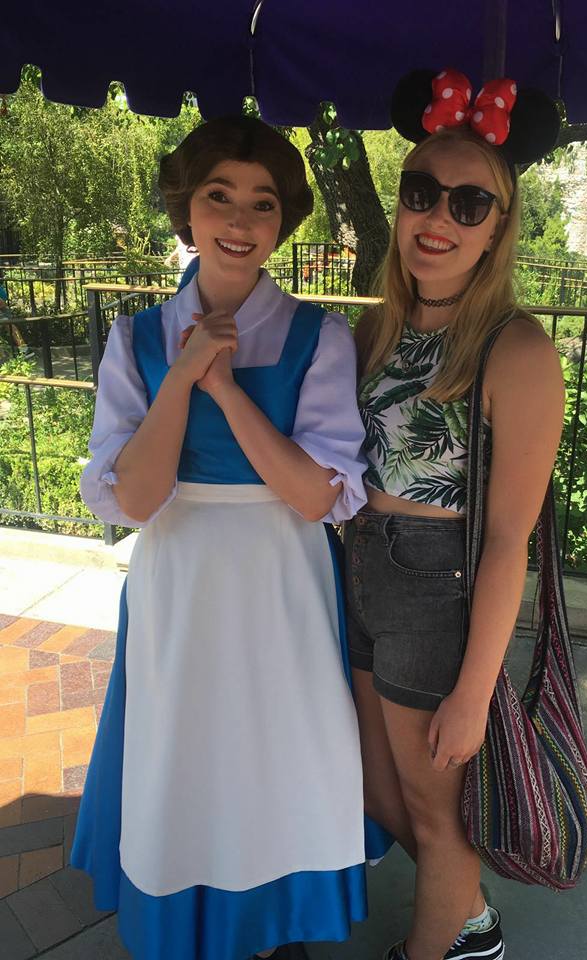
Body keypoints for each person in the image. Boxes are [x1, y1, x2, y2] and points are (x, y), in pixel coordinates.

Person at [72, 115, 375, 960]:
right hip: (181, 573)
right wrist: (181, 374)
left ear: (282, 221)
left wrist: (228, 390)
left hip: (283, 576)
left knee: (282, 748)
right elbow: (135, 499)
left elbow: (315, 497)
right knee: (186, 747)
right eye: (219, 196)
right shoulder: (135, 339)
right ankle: (190, 920)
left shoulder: (321, 337)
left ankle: (276, 927)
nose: (240, 221)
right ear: (187, 207)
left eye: (263, 203)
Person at [346, 71, 564, 960]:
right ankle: (468, 921)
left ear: (498, 229)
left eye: (469, 203)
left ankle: (438, 947)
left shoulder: (517, 349)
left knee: (439, 818)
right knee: (378, 789)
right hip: (362, 568)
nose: (438, 217)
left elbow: (510, 538)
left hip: (438, 591)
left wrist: (475, 693)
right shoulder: (378, 329)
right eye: (421, 192)